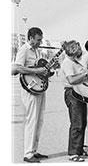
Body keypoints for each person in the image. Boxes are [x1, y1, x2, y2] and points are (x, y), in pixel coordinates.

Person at [12, 27, 48, 163]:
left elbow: (38, 69)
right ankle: (27, 154)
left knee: (39, 120)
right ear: (31, 38)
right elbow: (15, 68)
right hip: (29, 88)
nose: (40, 42)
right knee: (31, 120)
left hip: (38, 88)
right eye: (38, 40)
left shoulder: (37, 50)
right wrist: (36, 70)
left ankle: (34, 150)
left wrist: (44, 70)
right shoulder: (24, 49)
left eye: (41, 39)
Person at [61, 40, 88, 162]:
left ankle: (79, 149)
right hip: (72, 94)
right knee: (77, 123)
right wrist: (86, 75)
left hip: (79, 94)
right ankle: (73, 153)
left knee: (82, 122)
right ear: (74, 49)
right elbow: (71, 80)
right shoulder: (68, 63)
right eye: (79, 47)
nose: (81, 49)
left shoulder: (74, 62)